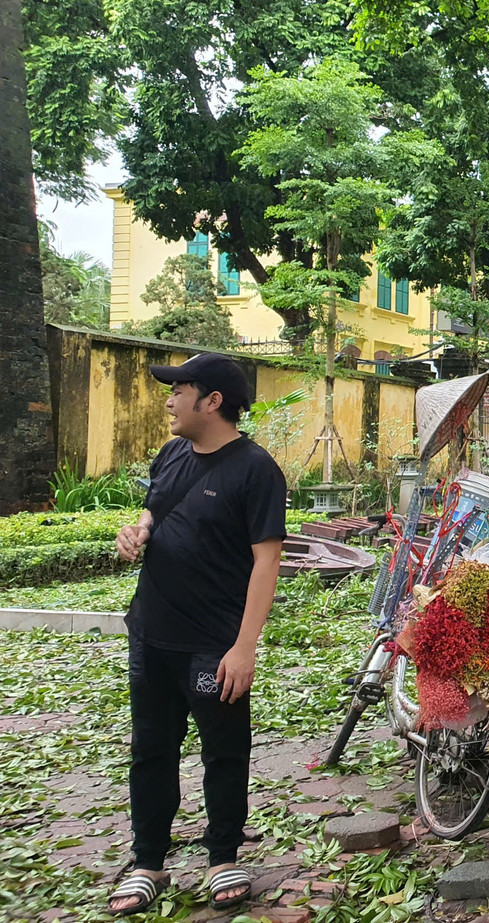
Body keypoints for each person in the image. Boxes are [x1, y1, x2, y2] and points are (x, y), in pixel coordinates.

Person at [108, 353, 286, 916]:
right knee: (151, 750)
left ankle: (222, 855)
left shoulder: (256, 470)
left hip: (215, 642)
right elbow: (151, 512)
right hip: (152, 632)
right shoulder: (172, 454)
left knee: (224, 751)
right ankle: (148, 862)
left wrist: (244, 647)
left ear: (212, 401)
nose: (168, 399)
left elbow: (266, 563)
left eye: (179, 389)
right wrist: (134, 531)